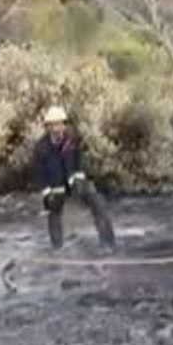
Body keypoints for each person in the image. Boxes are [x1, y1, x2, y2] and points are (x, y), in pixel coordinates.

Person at [34, 106, 116, 252]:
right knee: (54, 213)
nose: (58, 128)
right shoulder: (41, 147)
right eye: (53, 125)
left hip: (74, 181)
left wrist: (79, 178)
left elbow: (80, 162)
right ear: (48, 127)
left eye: (60, 124)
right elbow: (40, 174)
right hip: (56, 187)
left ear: (64, 125)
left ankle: (108, 245)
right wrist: (46, 195)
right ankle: (57, 249)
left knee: (98, 203)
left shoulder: (72, 140)